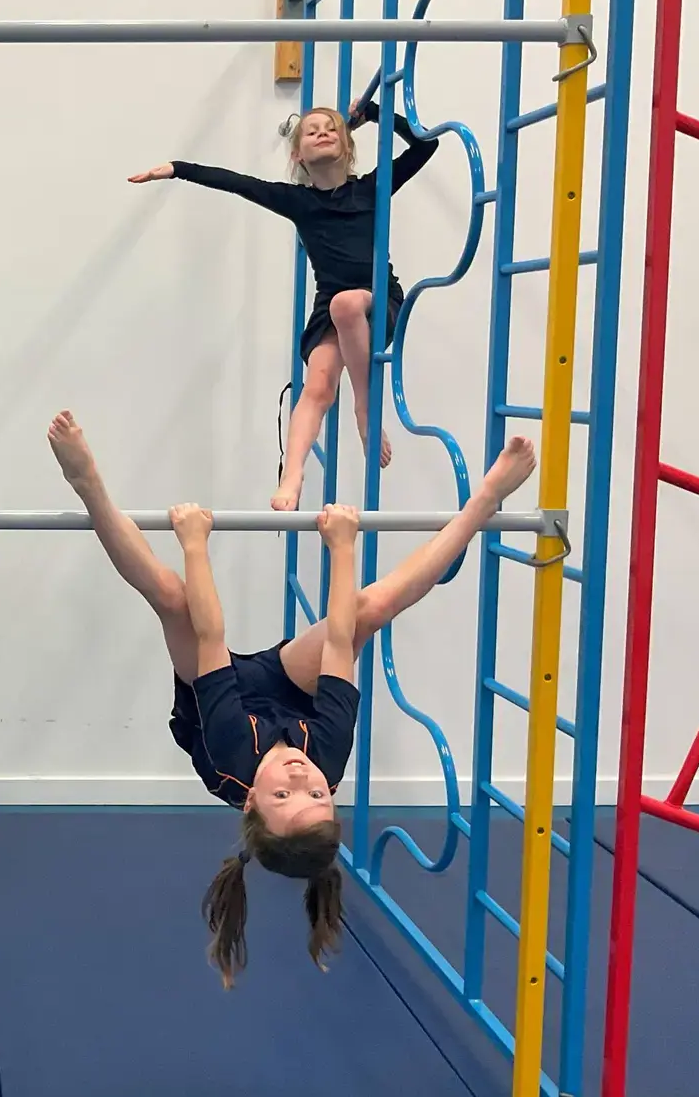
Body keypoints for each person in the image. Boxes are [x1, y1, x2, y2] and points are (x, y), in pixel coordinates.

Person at [45, 409, 535, 987]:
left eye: (285, 791)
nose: (303, 774)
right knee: (369, 612)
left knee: (175, 597)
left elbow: (210, 637)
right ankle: (484, 503)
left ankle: (87, 484)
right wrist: (343, 548)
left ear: (252, 800)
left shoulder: (233, 755)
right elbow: (337, 638)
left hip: (219, 705)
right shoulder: (323, 756)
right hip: (283, 694)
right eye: (319, 792)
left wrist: (195, 544)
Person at [127, 100, 440, 511]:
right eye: (311, 131)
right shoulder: (297, 201)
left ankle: (365, 407)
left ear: (347, 146)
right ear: (297, 155)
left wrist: (375, 112)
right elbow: (237, 182)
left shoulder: (372, 188)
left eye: (331, 128)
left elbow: (424, 147)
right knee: (318, 384)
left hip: (379, 302)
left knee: (347, 305)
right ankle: (292, 474)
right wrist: (177, 168)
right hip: (331, 309)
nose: (322, 133)